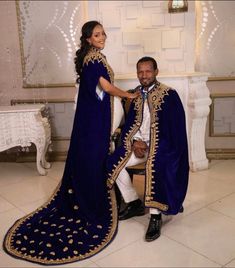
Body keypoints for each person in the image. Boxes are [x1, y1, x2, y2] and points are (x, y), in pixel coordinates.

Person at [3, 21, 138, 265]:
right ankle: (98, 197)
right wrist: (128, 94)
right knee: (96, 157)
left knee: (93, 156)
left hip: (91, 118)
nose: (102, 37)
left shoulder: (90, 57)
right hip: (96, 120)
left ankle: (112, 194)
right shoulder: (94, 59)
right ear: (87, 38)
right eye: (97, 34)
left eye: (103, 33)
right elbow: (105, 87)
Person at [106, 56, 189, 242]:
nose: (144, 75)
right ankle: (133, 202)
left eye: (148, 71)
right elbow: (129, 124)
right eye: (140, 72)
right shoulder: (134, 95)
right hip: (137, 146)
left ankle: (155, 216)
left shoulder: (169, 95)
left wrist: (152, 145)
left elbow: (175, 130)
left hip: (163, 147)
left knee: (156, 165)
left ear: (156, 72)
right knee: (112, 163)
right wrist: (135, 141)